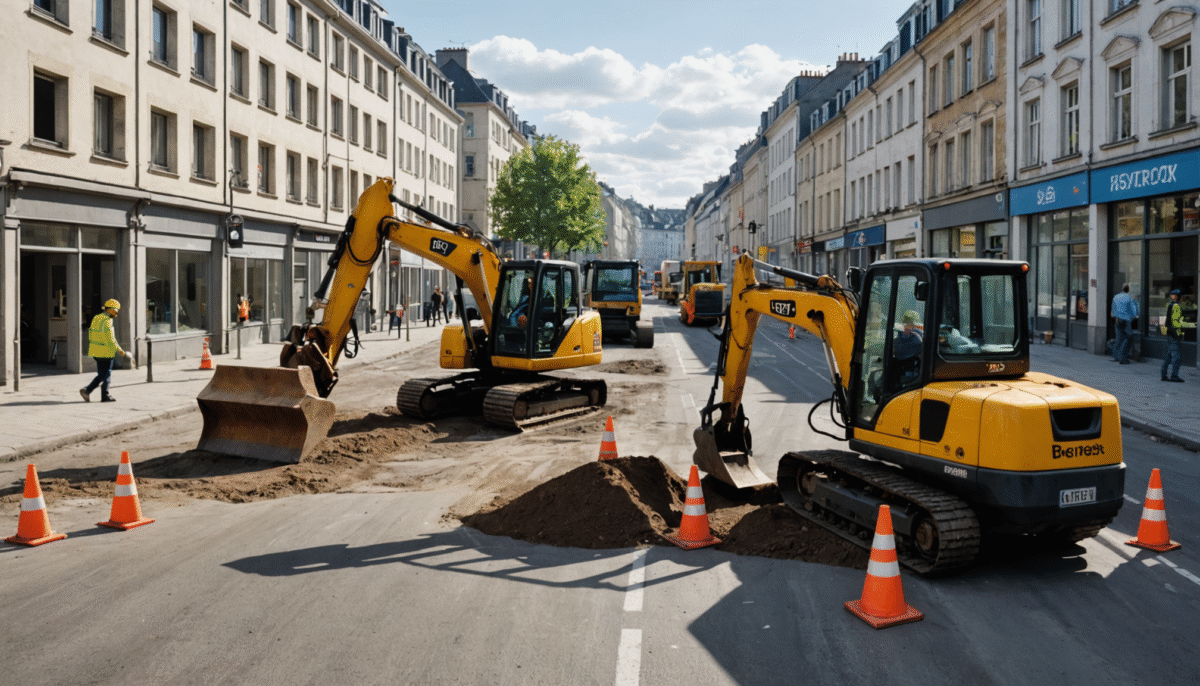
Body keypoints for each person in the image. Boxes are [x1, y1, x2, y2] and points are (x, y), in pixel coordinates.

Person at [80, 298, 130, 403]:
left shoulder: (97, 318)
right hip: (106, 351)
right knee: (106, 374)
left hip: (95, 351)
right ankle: (95, 392)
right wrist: (120, 351)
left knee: (102, 374)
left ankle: (92, 392)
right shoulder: (107, 320)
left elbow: (91, 333)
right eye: (116, 311)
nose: (116, 314)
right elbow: (111, 339)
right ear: (111, 310)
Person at [1161, 289, 1194, 382]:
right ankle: (1174, 376)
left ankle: (1163, 374)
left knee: (1169, 356)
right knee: (1177, 357)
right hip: (1174, 335)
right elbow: (1177, 322)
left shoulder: (1170, 305)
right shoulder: (1176, 306)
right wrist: (1192, 324)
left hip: (1170, 334)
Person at [1110, 283, 1138, 364]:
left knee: (1119, 338)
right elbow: (1132, 310)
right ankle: (1123, 357)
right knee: (1129, 337)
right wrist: (1134, 317)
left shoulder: (1116, 297)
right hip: (1126, 320)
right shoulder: (1128, 297)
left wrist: (1116, 316)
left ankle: (1116, 356)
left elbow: (1113, 308)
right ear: (1128, 290)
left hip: (1117, 319)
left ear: (1122, 289)